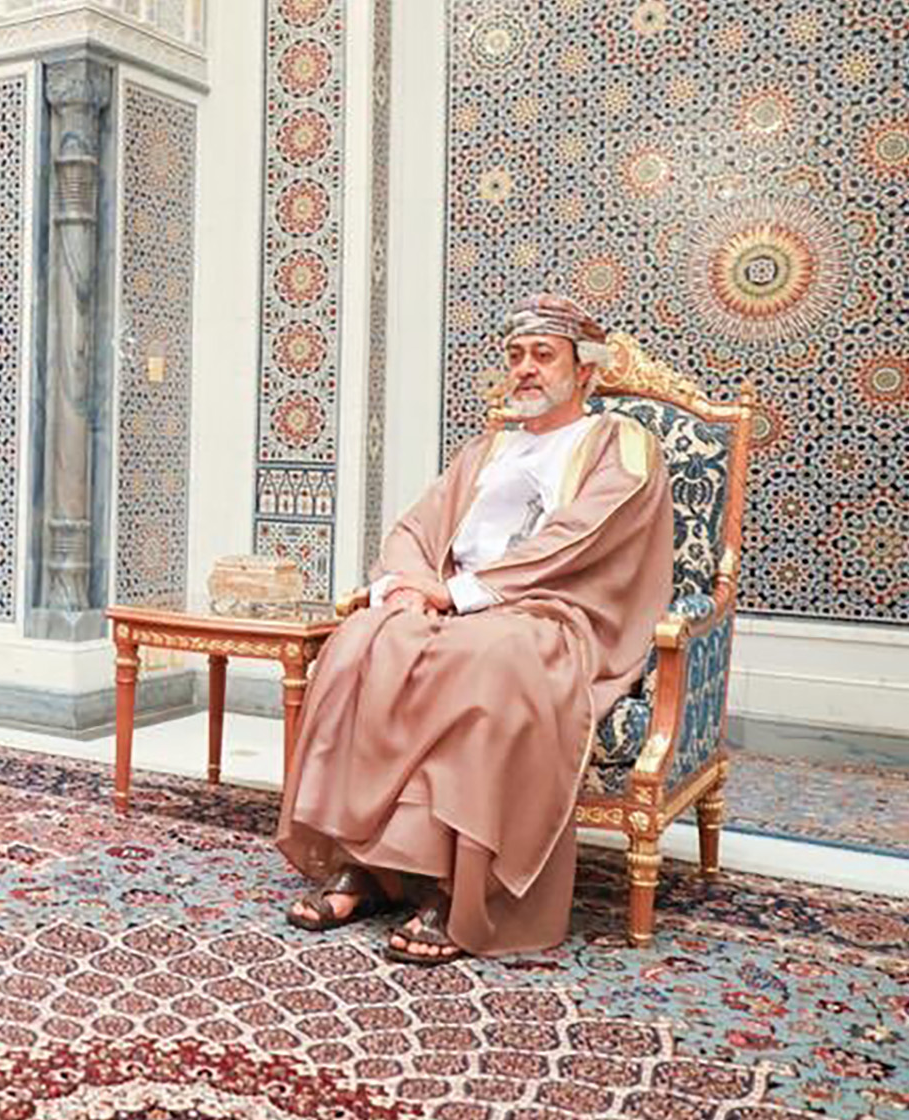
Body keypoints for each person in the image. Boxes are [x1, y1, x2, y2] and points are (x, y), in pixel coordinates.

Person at [277, 294, 673, 964]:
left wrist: (460, 594)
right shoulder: (487, 450)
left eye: (543, 355)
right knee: (365, 641)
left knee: (489, 660)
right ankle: (373, 866)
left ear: (586, 374)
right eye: (515, 356)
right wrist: (406, 588)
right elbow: (417, 528)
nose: (525, 369)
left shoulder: (619, 444)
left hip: (548, 611)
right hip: (457, 605)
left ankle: (458, 888)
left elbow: (587, 537)